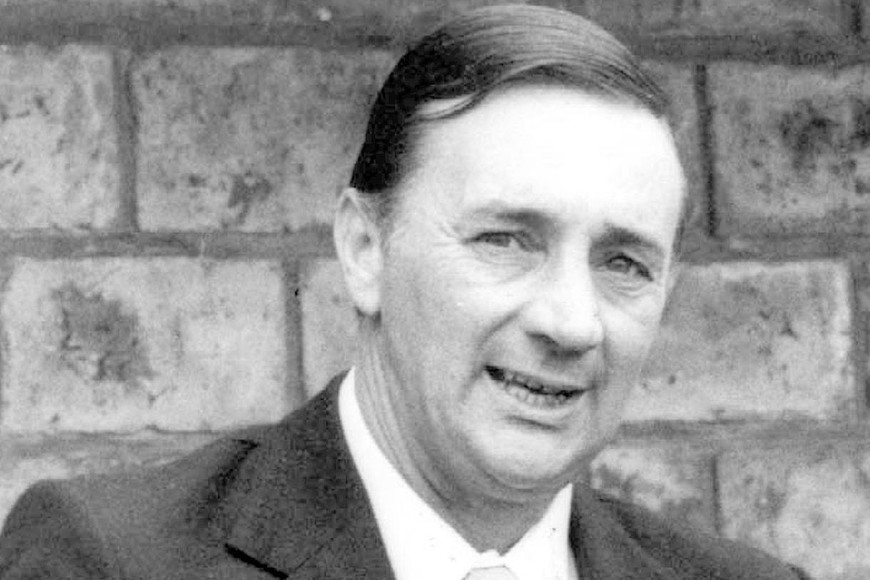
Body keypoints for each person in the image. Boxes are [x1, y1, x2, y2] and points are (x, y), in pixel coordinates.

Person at [0, 5, 809, 580]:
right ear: (365, 249)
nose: (571, 321)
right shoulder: (111, 560)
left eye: (623, 263)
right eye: (506, 240)